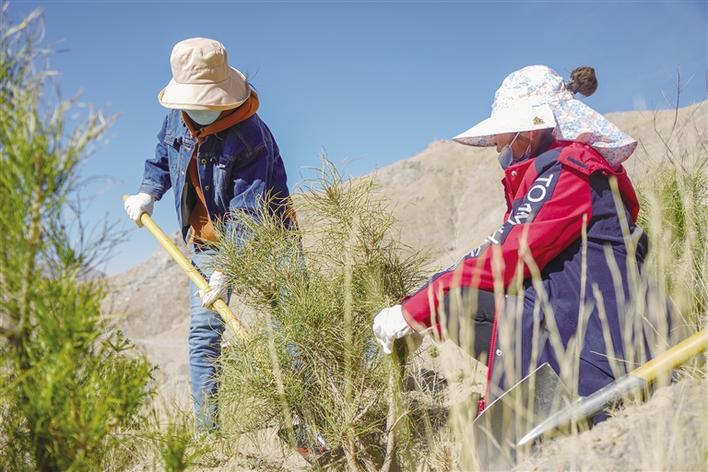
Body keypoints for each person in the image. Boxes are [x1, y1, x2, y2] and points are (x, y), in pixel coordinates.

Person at [373, 65, 657, 418]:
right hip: (578, 330)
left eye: (501, 132)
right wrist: (420, 308)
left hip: (599, 351)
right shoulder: (553, 175)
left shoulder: (569, 174)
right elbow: (498, 249)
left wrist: (415, 310)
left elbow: (506, 257)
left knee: (457, 304)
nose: (496, 143)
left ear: (530, 128)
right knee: (452, 303)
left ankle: (556, 405)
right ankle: (539, 402)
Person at [124, 37, 291, 430]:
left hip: (270, 239)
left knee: (288, 325)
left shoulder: (250, 136)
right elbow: (162, 156)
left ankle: (304, 417)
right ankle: (208, 437)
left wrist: (228, 268)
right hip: (207, 241)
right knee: (203, 333)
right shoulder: (176, 117)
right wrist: (149, 192)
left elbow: (248, 212)